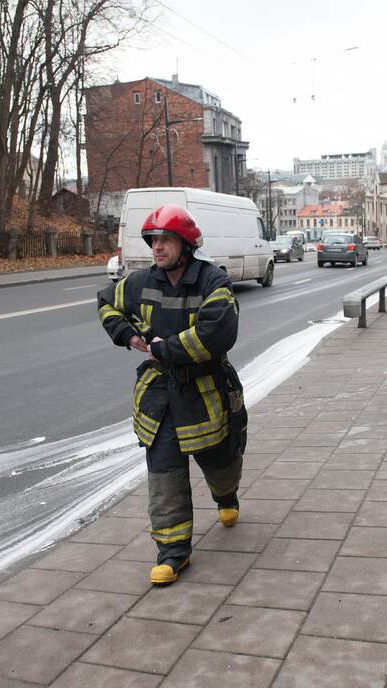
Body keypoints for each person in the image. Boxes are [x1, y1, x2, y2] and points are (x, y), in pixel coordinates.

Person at [96, 204, 244, 586]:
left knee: (220, 460)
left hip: (206, 392)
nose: (157, 248)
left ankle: (226, 497)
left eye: (165, 240)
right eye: (153, 240)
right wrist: (127, 335)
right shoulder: (139, 281)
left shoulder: (214, 282)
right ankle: (174, 552)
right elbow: (105, 302)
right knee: (164, 472)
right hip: (160, 395)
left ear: (186, 243)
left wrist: (165, 349)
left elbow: (217, 333)